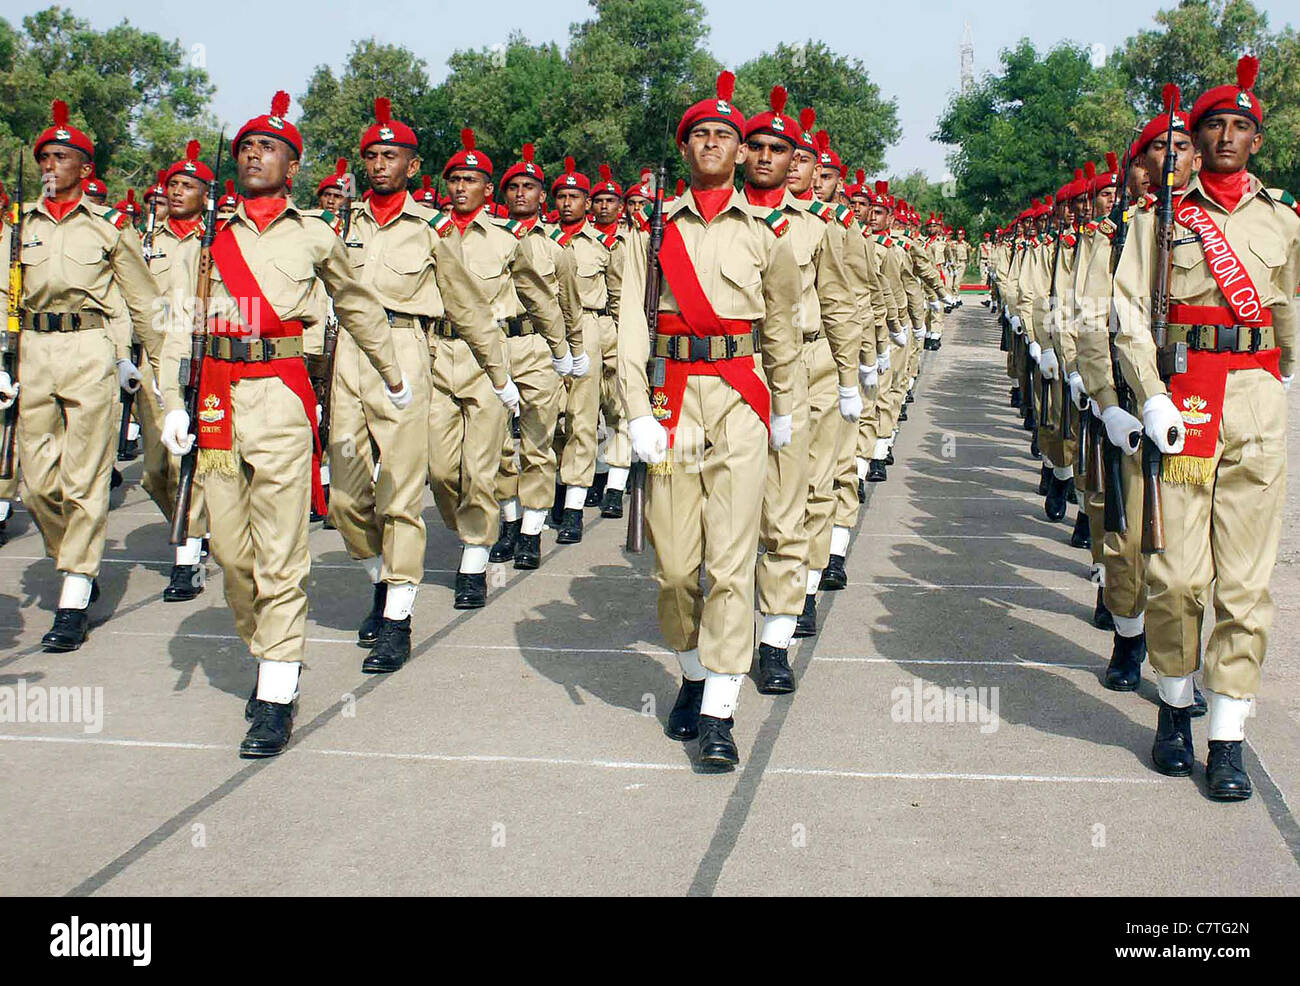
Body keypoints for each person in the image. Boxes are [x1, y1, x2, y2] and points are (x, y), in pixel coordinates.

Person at [155, 91, 410, 757]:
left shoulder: (315, 233)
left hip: (279, 396)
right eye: (245, 147)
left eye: (266, 147)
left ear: (290, 165)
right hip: (214, 402)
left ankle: (275, 687)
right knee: (233, 556)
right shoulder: (210, 236)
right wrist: (169, 405)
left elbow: (355, 304)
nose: (252, 155)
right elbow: (175, 325)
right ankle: (269, 648)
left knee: (279, 553)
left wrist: (392, 373)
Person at [1112, 61, 1298, 799]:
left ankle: (1226, 735)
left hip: (1254, 400)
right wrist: (1148, 394)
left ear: (1256, 140)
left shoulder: (1283, 218)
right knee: (1176, 576)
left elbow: (1287, 309)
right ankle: (1175, 703)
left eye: (1239, 127)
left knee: (1245, 584)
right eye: (1212, 127)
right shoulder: (1158, 219)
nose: (1224, 137)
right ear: (1194, 141)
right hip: (1184, 403)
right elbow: (1128, 312)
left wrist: (1285, 377)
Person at [617, 70, 800, 768]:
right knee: (673, 565)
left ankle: (721, 708)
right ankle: (692, 674)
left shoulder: (766, 232)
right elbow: (632, 323)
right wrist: (634, 410)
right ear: (685, 148)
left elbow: (780, 326)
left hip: (740, 398)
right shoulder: (652, 229)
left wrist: (782, 410)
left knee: (729, 563)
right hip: (672, 399)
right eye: (701, 134)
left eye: (725, 134)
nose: (715, 144)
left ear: (739, 149)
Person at [329, 98, 508, 671]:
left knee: (402, 490)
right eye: (372, 155)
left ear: (413, 166)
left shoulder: (431, 230)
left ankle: (397, 616)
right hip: (348, 356)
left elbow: (468, 304)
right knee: (346, 497)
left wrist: (500, 376)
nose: (379, 164)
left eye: (392, 155)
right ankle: (381, 580)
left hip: (406, 350)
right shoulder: (342, 224)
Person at [0, 100, 166, 651]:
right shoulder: (20, 225)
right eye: (44, 156)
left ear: (85, 170)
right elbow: (4, 292)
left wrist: (157, 366)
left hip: (89, 345)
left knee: (86, 474)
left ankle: (75, 590)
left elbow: (143, 301)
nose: (50, 165)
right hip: (33, 347)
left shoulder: (108, 227)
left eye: (61, 157)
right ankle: (70, 556)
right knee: (38, 479)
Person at [430, 128, 573, 608]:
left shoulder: (507, 240)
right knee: (441, 468)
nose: (461, 187)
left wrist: (563, 349)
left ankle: (495, 544)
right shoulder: (428, 233)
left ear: (484, 189)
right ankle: (492, 520)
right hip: (442, 353)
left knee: (519, 445)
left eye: (471, 180)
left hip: (509, 349)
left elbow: (543, 294)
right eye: (455, 179)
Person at [488, 142, 580, 570]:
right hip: (493, 345)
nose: (521, 193)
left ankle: (531, 531)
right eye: (514, 187)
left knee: (538, 442)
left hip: (538, 346)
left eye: (529, 187)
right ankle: (508, 518)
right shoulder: (486, 239)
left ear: (542, 196)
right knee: (498, 444)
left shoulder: (556, 247)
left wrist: (570, 355)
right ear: (503, 195)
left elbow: (569, 306)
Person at [143, 140, 215, 601]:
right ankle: (193, 526)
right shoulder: (146, 240)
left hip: (194, 352)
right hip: (152, 355)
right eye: (172, 183)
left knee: (192, 461)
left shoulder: (214, 241)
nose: (177, 191)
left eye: (187, 185)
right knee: (155, 469)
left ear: (205, 195)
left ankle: (188, 554)